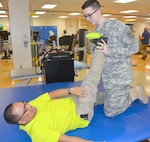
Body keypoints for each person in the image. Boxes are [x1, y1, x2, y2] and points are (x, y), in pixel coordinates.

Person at [81, 0, 149, 117]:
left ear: (99, 11)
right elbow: (96, 53)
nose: (87, 19)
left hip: (119, 77)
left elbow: (134, 47)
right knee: (94, 100)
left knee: (110, 112)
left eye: (89, 15)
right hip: (107, 78)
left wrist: (110, 51)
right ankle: (117, 97)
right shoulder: (96, 31)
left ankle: (136, 91)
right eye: (85, 16)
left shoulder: (118, 26)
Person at [4, 86, 97, 142]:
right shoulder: (38, 133)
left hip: (73, 98)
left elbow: (51, 95)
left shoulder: (32, 104)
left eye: (24, 103)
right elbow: (67, 139)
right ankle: (100, 53)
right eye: (25, 108)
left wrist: (71, 91)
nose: (28, 105)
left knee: (98, 96)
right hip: (80, 113)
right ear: (22, 121)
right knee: (91, 80)